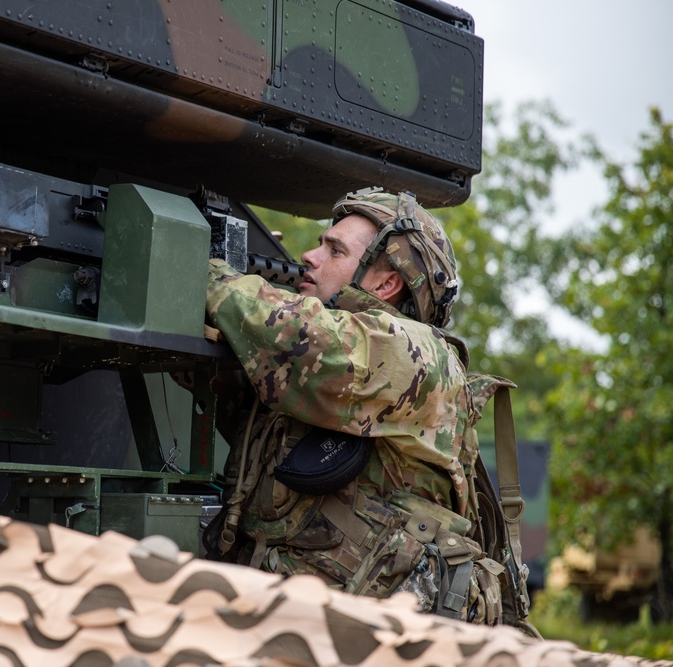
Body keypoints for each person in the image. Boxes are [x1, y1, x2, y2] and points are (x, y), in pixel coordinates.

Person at [203, 187, 507, 625]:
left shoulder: (414, 352)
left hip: (370, 636)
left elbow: (298, 337)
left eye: (334, 250)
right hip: (309, 623)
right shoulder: (337, 377)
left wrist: (203, 272)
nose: (309, 255)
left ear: (385, 283)